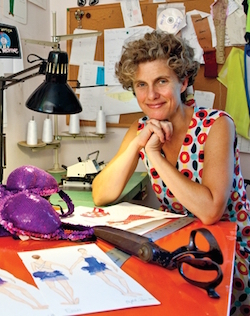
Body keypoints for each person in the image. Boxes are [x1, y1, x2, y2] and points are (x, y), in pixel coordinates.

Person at [92, 30, 250, 315]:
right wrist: (138, 144)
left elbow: (211, 210)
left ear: (183, 81)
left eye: (161, 81)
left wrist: (153, 155)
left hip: (228, 252)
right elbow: (102, 195)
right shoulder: (142, 128)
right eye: (141, 84)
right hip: (181, 248)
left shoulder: (216, 126)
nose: (150, 95)